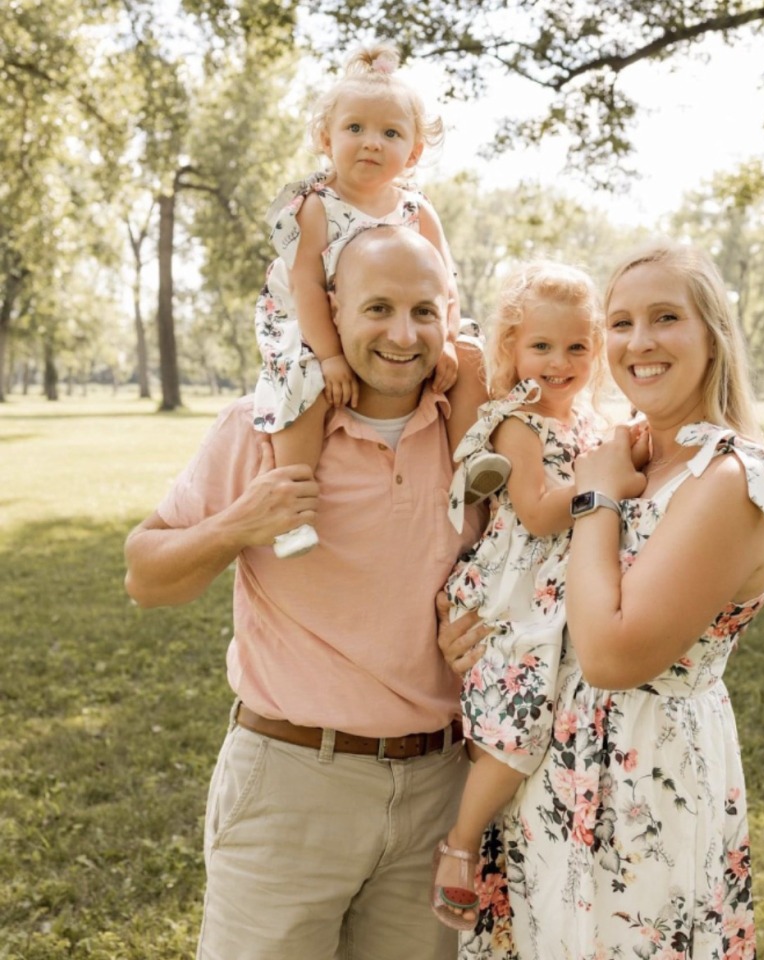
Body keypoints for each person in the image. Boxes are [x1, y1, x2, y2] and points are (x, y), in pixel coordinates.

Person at [124, 226, 486, 960]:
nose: (402, 333)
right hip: (292, 785)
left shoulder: (476, 440)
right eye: (377, 307)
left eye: (424, 310)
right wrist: (237, 524)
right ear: (332, 311)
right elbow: (145, 575)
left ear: (450, 314)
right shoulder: (264, 426)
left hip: (438, 793)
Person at [441, 239, 764, 958]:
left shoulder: (731, 479)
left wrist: (599, 496)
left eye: (666, 318)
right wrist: (478, 623)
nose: (639, 342)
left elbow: (609, 655)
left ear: (713, 335)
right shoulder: (631, 450)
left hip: (642, 793)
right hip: (555, 770)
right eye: (623, 322)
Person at [253, 41, 505, 558]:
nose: (371, 143)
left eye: (390, 133)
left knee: (474, 355)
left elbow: (447, 283)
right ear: (327, 138)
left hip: (398, 320)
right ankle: (290, 504)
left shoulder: (418, 211)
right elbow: (305, 289)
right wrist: (329, 356)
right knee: (304, 380)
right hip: (312, 320)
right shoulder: (316, 208)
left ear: (412, 152)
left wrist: (452, 341)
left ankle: (470, 462)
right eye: (355, 129)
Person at [432, 262, 620, 930]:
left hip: (561, 605)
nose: (560, 361)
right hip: (515, 602)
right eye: (541, 346)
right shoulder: (518, 421)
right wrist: (604, 478)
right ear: (511, 349)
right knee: (517, 734)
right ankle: (458, 845)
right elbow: (540, 513)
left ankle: (501, 865)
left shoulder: (596, 426)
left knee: (551, 728)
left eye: (576, 347)